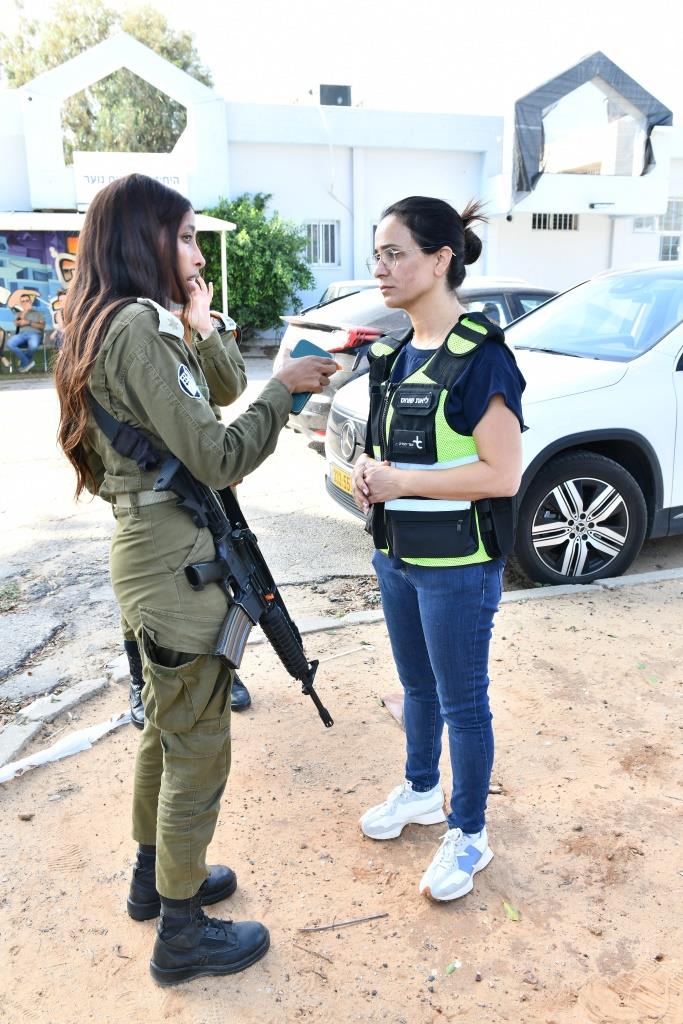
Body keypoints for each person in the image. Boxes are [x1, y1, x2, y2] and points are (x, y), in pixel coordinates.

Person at [54, 173, 336, 985]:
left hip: (151, 558)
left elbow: (212, 388)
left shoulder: (113, 321)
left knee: (166, 733)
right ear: (143, 238)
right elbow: (215, 452)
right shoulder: (137, 326)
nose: (192, 250)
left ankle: (155, 881)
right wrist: (284, 391)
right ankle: (181, 934)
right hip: (174, 567)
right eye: (180, 237)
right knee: (197, 747)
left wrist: (201, 316)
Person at [353, 196, 524, 903]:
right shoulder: (391, 354)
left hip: (458, 569)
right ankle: (421, 789)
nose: (382, 268)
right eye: (378, 254)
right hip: (396, 557)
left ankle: (469, 831)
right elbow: (385, 449)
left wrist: (402, 480)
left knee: (463, 702)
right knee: (416, 689)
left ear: (440, 259)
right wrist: (371, 474)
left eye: (396, 253)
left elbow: (502, 473)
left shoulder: (481, 359)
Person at [123, 308, 252, 728]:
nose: (197, 264)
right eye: (186, 245)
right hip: (163, 482)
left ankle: (222, 669)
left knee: (226, 565)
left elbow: (231, 388)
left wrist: (206, 329)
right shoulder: (141, 327)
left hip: (209, 472)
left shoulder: (203, 322)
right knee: (147, 594)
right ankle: (139, 678)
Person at [7, 291, 45, 371]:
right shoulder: (19, 314)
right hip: (21, 335)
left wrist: (28, 322)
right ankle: (27, 362)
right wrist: (24, 312)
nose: (25, 303)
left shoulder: (38, 313)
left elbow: (42, 326)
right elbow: (16, 324)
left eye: (27, 301)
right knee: (10, 343)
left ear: (30, 302)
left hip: (35, 334)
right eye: (23, 301)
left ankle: (24, 362)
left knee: (33, 345)